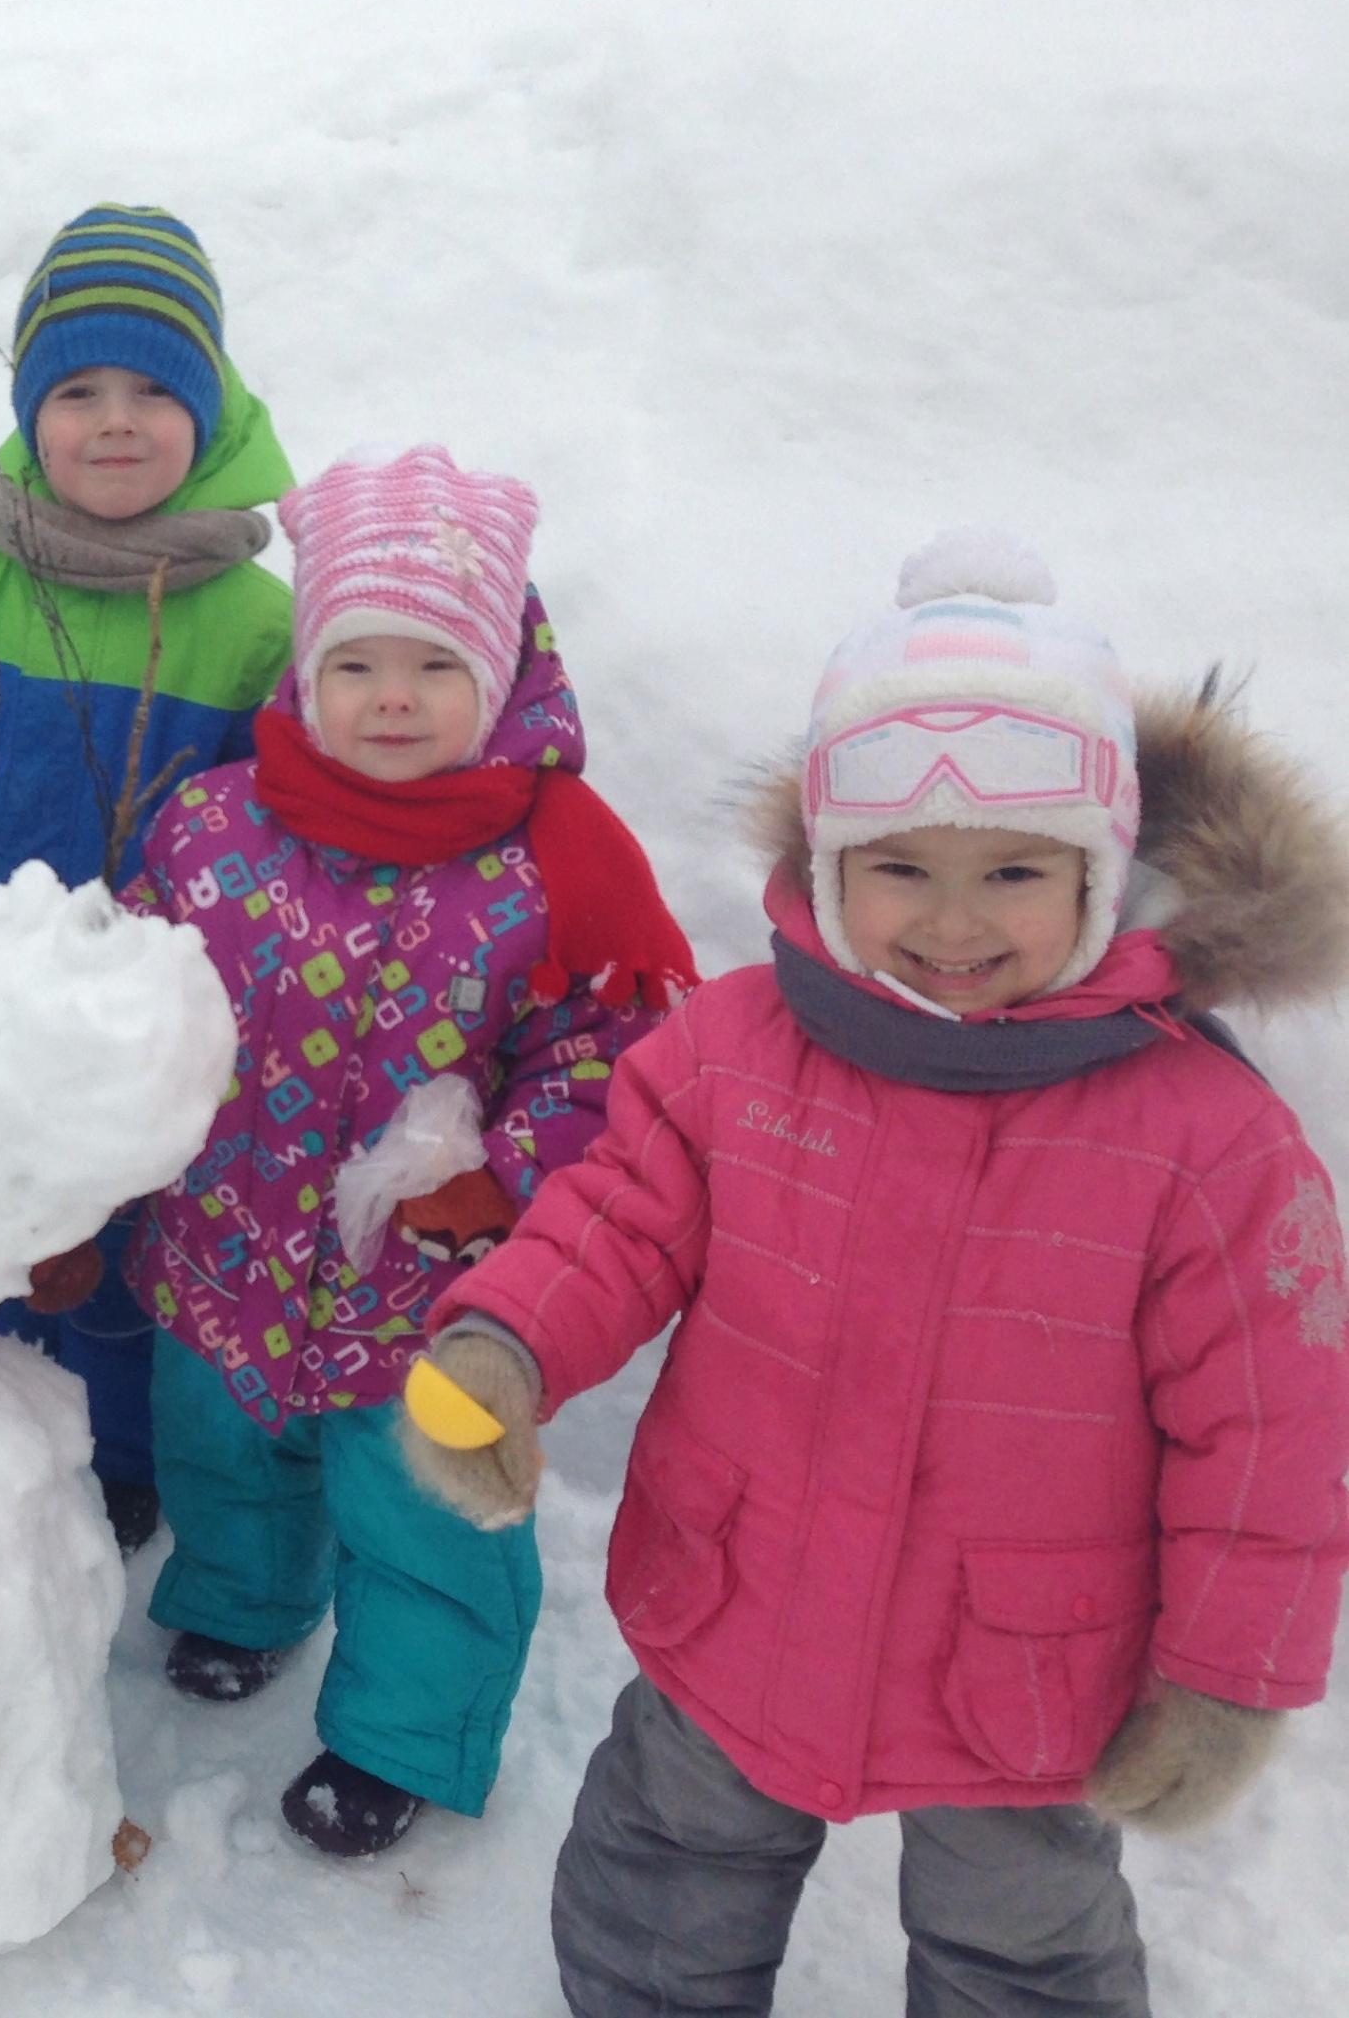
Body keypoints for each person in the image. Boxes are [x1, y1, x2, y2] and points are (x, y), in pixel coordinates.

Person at [409, 531, 1349, 2016]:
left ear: (1105, 876)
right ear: (827, 864)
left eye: (1017, 871)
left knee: (1021, 1942)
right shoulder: (735, 1052)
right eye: (901, 866)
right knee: (666, 1866)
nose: (956, 921)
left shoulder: (1205, 1142)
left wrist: (1231, 1674)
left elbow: (1270, 1436)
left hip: (1031, 1671)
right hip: (738, 1594)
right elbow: (615, 1221)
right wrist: (505, 1350)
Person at [118, 446, 695, 1855]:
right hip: (228, 1247)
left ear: (501, 676)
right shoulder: (212, 825)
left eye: (434, 666)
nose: (391, 697)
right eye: (356, 661)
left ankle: (403, 1732)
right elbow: (126, 988)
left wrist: (500, 1167)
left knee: (431, 1515)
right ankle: (246, 1599)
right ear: (303, 672)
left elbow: (610, 1050)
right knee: (225, 1449)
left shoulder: (558, 857)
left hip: (434, 1292)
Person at [0, 204, 297, 1555]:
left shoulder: (262, 625)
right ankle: (5, 1435)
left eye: (155, 389)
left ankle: (130, 1456)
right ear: (31, 413)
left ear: (213, 410)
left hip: (158, 1016)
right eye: (76, 390)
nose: (117, 421)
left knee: (135, 1258)